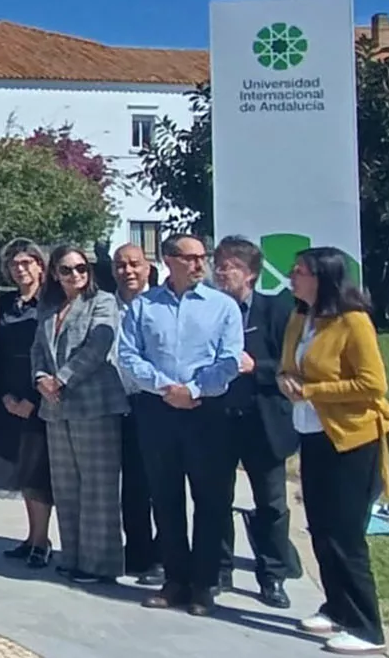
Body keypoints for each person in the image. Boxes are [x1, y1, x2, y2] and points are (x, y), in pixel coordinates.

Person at [119, 233, 244, 616]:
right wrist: (165, 388)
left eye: (202, 257)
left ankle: (204, 584)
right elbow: (129, 355)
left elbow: (229, 360)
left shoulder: (223, 306)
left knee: (210, 500)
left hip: (207, 412)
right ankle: (175, 580)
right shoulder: (144, 306)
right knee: (165, 497)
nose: (199, 264)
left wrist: (193, 390)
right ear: (169, 260)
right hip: (157, 410)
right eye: (190, 258)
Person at [280, 247, 389, 655]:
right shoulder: (299, 317)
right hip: (311, 435)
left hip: (351, 439)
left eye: (300, 271)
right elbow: (287, 366)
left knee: (345, 535)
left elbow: (372, 384)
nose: (292, 276)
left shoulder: (353, 321)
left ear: (323, 278)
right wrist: (285, 379)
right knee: (322, 529)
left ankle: (367, 628)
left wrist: (312, 390)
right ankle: (336, 608)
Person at [211, 236, 300, 609]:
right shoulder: (210, 310)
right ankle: (219, 570)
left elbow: (293, 364)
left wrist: (256, 367)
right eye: (218, 264)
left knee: (271, 503)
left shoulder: (276, 310)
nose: (220, 272)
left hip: (263, 421)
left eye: (229, 266)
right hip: (219, 419)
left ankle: (273, 574)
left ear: (250, 273)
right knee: (216, 499)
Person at [33, 244, 127, 584]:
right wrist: (40, 378)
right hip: (56, 408)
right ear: (55, 274)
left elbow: (97, 348)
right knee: (66, 487)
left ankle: (98, 564)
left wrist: (62, 378)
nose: (75, 275)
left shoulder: (102, 302)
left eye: (81, 268)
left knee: (98, 489)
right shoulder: (49, 307)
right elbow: (38, 350)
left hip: (94, 405)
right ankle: (72, 556)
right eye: (67, 269)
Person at [0, 240, 56, 568]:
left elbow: (52, 354)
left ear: (40, 266)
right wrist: (3, 395)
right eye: (15, 264)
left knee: (37, 474)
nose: (20, 269)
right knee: (20, 472)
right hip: (8, 398)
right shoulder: (4, 304)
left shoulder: (52, 304)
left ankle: (42, 541)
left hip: (39, 400)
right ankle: (30, 537)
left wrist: (33, 399)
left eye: (27, 263)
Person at [112, 243, 163, 585]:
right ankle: (137, 551)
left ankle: (163, 555)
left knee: (158, 483)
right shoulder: (105, 305)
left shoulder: (160, 304)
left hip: (154, 402)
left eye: (134, 264)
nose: (127, 271)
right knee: (130, 486)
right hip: (116, 403)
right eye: (120, 265)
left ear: (148, 268)